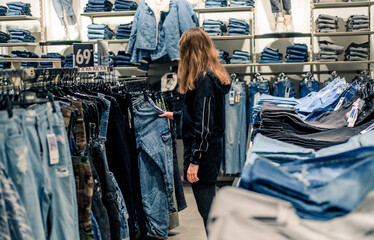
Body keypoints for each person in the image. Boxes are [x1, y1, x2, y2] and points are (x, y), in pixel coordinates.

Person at [159, 27, 231, 233]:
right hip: (208, 149)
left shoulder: (204, 79)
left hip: (203, 153)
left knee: (208, 210)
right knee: (209, 208)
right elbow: (203, 115)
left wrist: (195, 161)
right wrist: (175, 115)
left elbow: (204, 124)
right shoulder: (208, 76)